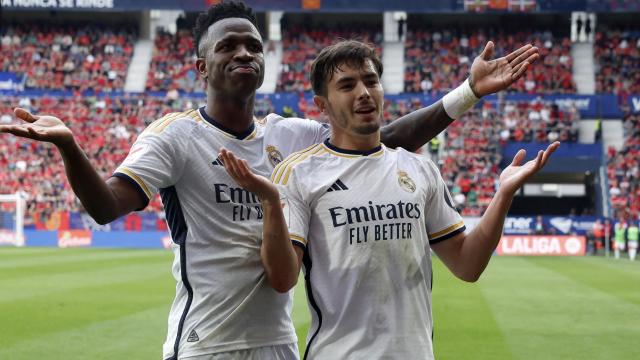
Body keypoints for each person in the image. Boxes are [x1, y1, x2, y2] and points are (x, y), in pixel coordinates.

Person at [0, 1, 539, 359]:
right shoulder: (174, 137)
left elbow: (377, 139)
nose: (243, 53)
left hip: (278, 341)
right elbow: (108, 206)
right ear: (198, 65)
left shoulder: (295, 135)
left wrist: (464, 94)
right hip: (206, 342)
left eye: (253, 46)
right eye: (228, 46)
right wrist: (70, 146)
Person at [219, 40, 559, 359]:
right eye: (347, 85)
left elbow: (467, 264)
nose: (364, 93)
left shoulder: (420, 169)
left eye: (371, 81)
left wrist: (502, 195)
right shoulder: (298, 173)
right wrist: (268, 202)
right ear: (321, 105)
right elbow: (282, 279)